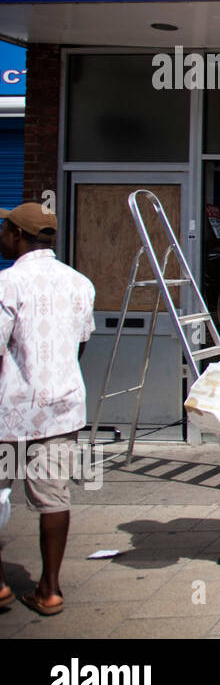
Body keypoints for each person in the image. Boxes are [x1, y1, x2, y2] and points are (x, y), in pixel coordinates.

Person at [0, 202, 96, 615]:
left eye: (4, 228)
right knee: (54, 496)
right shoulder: (79, 283)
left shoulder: (8, 282)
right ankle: (50, 588)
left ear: (18, 235)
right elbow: (82, 342)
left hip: (10, 410)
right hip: (61, 409)